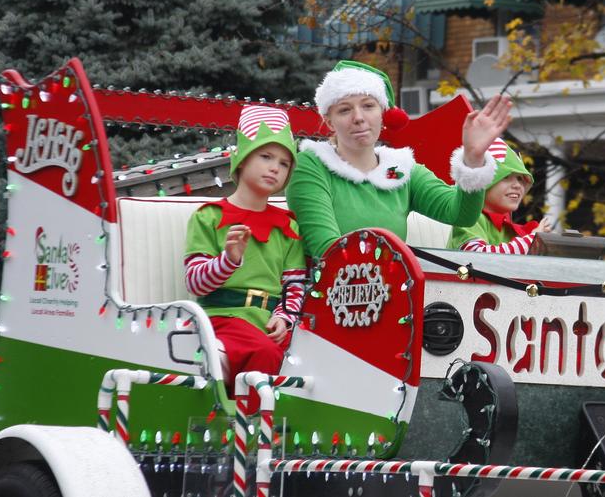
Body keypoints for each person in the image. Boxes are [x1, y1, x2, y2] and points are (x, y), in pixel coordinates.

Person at [287, 60, 510, 258]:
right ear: (328, 121)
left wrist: (473, 160)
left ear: (382, 113)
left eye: (368, 106)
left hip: (393, 294)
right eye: (345, 110)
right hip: (328, 297)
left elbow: (461, 214)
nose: (358, 118)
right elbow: (327, 250)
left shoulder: (401, 169)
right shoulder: (311, 165)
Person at [184, 105, 307, 384]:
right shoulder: (208, 217)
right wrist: (228, 259)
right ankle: (249, 421)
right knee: (262, 352)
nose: (275, 167)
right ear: (241, 160)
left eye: (284, 163)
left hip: (269, 325)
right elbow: (195, 282)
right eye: (266, 156)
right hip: (221, 320)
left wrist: (284, 317)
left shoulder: (289, 226)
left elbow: (295, 283)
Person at [448, 139, 552, 254]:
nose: (518, 185)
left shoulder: (508, 227)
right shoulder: (468, 217)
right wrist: (531, 241)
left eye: (520, 178)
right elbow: (477, 257)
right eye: (505, 177)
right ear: (483, 183)